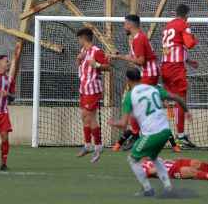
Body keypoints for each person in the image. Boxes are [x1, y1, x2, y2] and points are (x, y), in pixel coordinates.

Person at [109, 67, 192, 197]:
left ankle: (147, 189)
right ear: (141, 77)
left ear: (128, 80)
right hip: (166, 132)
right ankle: (168, 187)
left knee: (132, 159)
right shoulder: (154, 88)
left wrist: (113, 123)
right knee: (154, 157)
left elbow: (123, 124)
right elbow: (176, 97)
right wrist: (186, 111)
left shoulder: (130, 96)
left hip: (153, 134)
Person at [110, 14, 180, 152]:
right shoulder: (138, 38)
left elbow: (141, 61)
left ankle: (135, 134)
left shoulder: (138, 39)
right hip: (149, 73)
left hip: (149, 74)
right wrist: (118, 56)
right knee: (145, 106)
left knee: (133, 102)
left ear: (130, 24)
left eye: (125, 24)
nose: (124, 26)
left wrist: (123, 57)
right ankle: (173, 144)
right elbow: (138, 58)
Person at [161, 4, 198, 148]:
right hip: (176, 68)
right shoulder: (184, 24)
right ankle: (181, 136)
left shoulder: (168, 25)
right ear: (187, 15)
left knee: (167, 101)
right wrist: (194, 38)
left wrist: (188, 60)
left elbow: (173, 47)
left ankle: (157, 133)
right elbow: (189, 44)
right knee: (180, 101)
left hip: (165, 66)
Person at [76, 28, 110, 163]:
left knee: (90, 117)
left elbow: (107, 66)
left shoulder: (97, 51)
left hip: (93, 89)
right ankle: (88, 145)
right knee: (84, 116)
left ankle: (97, 145)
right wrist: (79, 60)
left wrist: (95, 64)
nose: (79, 41)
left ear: (84, 39)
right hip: (83, 88)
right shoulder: (83, 51)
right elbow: (82, 68)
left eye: (79, 39)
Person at [142, 158, 208, 181]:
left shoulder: (153, 158)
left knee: (196, 163)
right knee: (191, 171)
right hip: (172, 171)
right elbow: (150, 172)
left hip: (176, 163)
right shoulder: (143, 166)